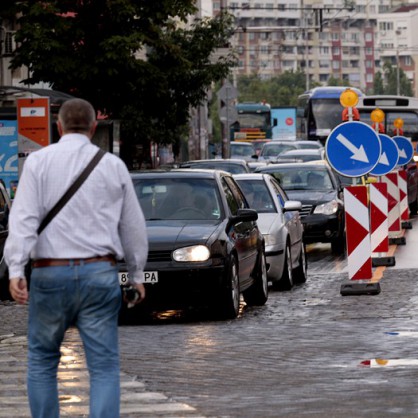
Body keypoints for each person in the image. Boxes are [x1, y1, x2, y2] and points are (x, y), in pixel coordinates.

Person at [4, 98, 148, 418]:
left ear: (58, 126)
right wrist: (137, 276)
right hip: (100, 272)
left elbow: (23, 220)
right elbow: (133, 227)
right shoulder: (113, 166)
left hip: (49, 273)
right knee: (104, 366)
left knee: (42, 360)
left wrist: (16, 268)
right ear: (94, 127)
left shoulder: (38, 163)